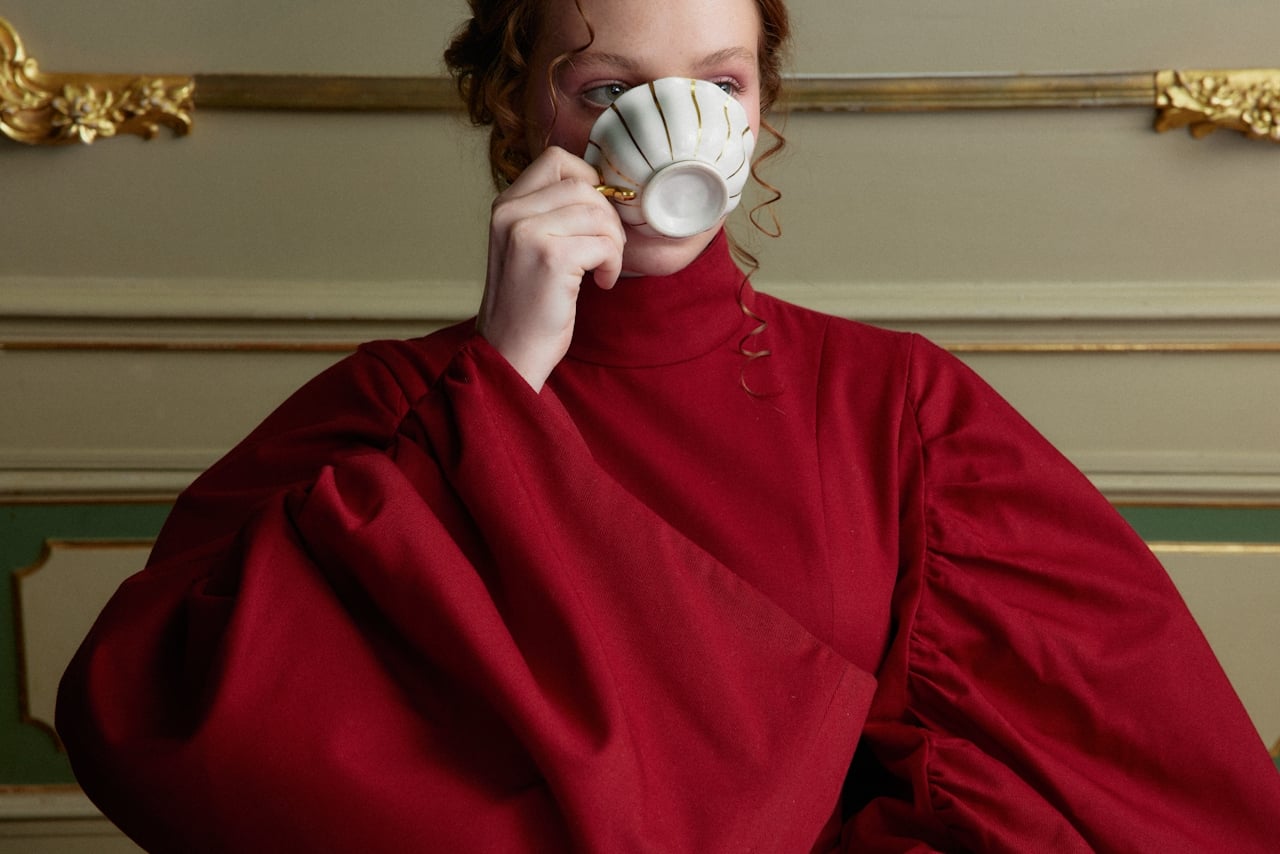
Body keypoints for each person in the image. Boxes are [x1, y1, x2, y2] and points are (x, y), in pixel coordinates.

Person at [57, 0, 1280, 851]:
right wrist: (502, 378)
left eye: (717, 82)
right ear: (515, 101)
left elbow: (1104, 772)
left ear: (759, 107)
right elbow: (152, 714)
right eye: (608, 88)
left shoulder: (893, 405)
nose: (672, 120)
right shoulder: (393, 408)